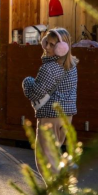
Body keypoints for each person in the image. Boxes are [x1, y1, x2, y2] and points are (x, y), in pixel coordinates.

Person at [21, 27, 78, 182]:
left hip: (50, 117)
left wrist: (27, 82)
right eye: (47, 43)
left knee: (44, 160)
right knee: (55, 156)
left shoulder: (49, 68)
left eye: (52, 45)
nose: (47, 47)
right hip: (67, 117)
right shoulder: (72, 66)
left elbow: (35, 93)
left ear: (62, 48)